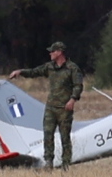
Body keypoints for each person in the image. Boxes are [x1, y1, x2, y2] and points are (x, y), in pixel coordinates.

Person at [9, 41, 83, 169]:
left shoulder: (72, 68)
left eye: (53, 51)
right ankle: (49, 162)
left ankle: (66, 164)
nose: (50, 54)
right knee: (48, 135)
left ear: (59, 52)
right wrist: (20, 72)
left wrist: (72, 100)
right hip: (51, 107)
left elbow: (78, 86)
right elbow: (34, 72)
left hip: (64, 109)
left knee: (65, 137)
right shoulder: (49, 67)